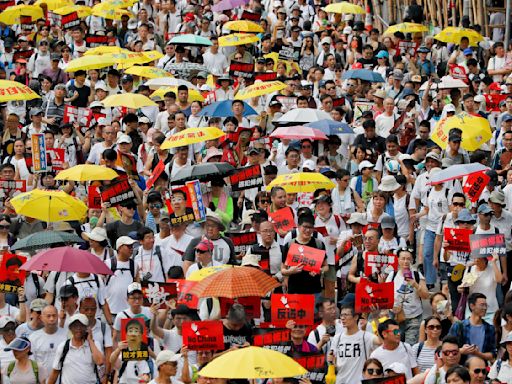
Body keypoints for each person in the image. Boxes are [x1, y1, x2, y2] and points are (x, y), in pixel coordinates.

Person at [387, 247, 429, 345]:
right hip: (396, 318)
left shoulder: (417, 275)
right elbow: (386, 296)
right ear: (398, 260)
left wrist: (415, 284)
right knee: (396, 342)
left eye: (408, 259)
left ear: (412, 261)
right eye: (403, 258)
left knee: (410, 345)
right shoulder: (393, 275)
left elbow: (426, 295)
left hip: (414, 318)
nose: (406, 261)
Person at [329, 305, 380, 384]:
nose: (342, 318)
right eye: (341, 315)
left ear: (356, 317)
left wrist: (376, 317)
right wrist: (331, 362)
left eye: (346, 315)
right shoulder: (337, 338)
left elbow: (381, 341)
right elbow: (333, 361)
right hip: (340, 381)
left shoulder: (365, 336)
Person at [48, 314, 104, 384]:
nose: (78, 328)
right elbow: (55, 372)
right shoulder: (63, 346)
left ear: (86, 328)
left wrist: (90, 340)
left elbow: (100, 361)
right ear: (70, 328)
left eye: (81, 325)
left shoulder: (94, 344)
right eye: (75, 326)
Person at [448, 293, 497, 362]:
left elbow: (493, 353)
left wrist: (478, 354)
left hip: (481, 368)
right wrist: (461, 351)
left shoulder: (490, 328)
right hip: (462, 369)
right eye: (482, 305)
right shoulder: (459, 326)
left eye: (486, 305)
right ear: (472, 306)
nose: (485, 308)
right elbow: (447, 348)